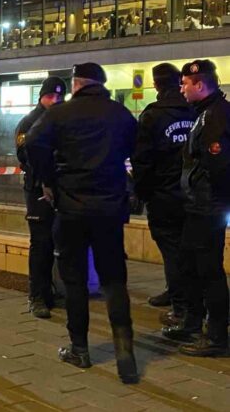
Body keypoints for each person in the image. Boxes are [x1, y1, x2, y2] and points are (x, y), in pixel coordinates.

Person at [25, 62, 139, 384]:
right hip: (109, 208)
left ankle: (80, 348)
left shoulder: (60, 114)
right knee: (114, 278)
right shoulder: (119, 113)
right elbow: (137, 147)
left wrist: (49, 180)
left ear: (76, 83)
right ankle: (124, 350)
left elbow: (33, 143)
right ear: (101, 84)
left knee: (74, 279)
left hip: (72, 207)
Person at [171, 59, 229, 357]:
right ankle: (193, 323)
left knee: (209, 272)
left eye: (185, 84)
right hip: (199, 207)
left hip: (209, 208)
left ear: (200, 84)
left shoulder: (215, 116)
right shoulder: (204, 113)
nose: (181, 89)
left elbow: (217, 166)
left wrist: (213, 204)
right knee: (190, 266)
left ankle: (217, 335)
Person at [132, 63, 197, 324]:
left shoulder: (152, 115)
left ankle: (181, 309)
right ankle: (178, 294)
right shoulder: (195, 111)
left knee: (172, 251)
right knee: (188, 249)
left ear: (156, 84)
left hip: (163, 195)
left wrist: (143, 192)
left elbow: (142, 160)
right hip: (191, 193)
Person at [15, 77, 67, 319]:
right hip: (37, 189)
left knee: (57, 241)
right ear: (41, 96)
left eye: (59, 96)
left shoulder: (62, 119)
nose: (55, 100)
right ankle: (37, 295)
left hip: (59, 188)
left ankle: (49, 290)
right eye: (51, 96)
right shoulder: (29, 123)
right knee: (41, 242)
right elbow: (26, 157)